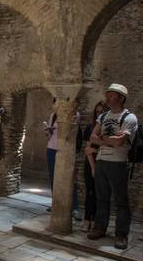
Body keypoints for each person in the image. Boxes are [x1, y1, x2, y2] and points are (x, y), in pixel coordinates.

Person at [87, 84, 138, 250]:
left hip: (118, 163)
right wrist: (108, 139)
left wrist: (103, 138)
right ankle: (100, 227)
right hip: (102, 161)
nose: (107, 97)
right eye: (107, 94)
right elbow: (92, 137)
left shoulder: (129, 118)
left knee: (121, 201)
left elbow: (120, 142)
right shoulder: (103, 116)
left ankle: (121, 234)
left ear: (121, 98)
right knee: (102, 198)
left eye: (111, 95)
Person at [44, 98, 82, 219]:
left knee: (69, 178)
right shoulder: (53, 116)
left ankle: (74, 207)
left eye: (57, 102)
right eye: (54, 102)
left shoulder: (75, 114)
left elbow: (70, 131)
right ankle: (56, 204)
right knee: (53, 178)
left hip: (65, 150)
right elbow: (50, 135)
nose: (55, 105)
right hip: (51, 148)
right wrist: (48, 130)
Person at [81, 101, 106, 233]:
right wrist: (92, 167)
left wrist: (95, 151)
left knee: (100, 195)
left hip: (104, 162)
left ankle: (97, 221)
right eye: (97, 111)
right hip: (90, 163)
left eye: (102, 112)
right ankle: (87, 219)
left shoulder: (107, 129)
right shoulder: (90, 128)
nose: (99, 114)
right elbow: (88, 149)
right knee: (90, 192)